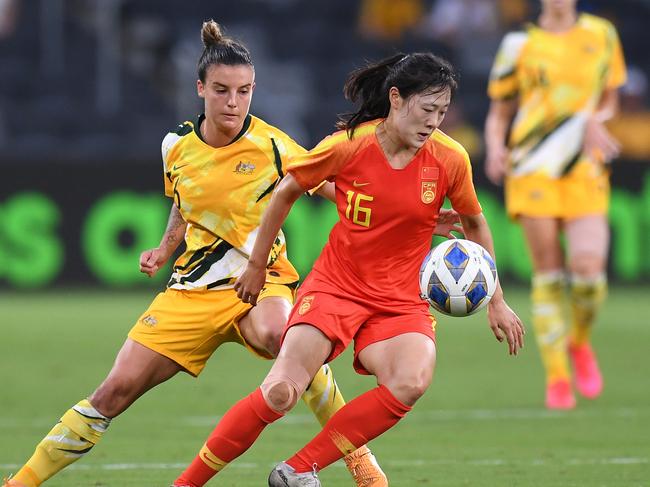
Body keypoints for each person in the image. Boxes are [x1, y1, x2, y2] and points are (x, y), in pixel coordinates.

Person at [3, 20, 396, 487]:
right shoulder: (176, 147)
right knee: (113, 392)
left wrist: (403, 215)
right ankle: (21, 482)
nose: (234, 102)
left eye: (244, 91)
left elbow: (335, 188)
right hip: (192, 290)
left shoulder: (274, 145)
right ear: (200, 89)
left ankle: (360, 462)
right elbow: (182, 204)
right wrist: (165, 247)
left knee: (283, 337)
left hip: (261, 279)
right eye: (223, 90)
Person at [172, 52, 524, 487]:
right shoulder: (349, 144)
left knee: (410, 381)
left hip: (399, 298)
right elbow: (285, 193)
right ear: (395, 99)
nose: (435, 121)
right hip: (337, 286)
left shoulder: (450, 158)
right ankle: (185, 484)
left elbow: (474, 222)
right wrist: (258, 266)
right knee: (281, 391)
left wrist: (497, 300)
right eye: (427, 109)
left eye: (443, 112)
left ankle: (297, 470)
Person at [484, 0, 627, 409]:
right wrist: (496, 146)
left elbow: (611, 98)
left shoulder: (602, 34)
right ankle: (558, 375)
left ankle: (579, 342)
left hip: (584, 166)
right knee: (548, 272)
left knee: (588, 270)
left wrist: (596, 119)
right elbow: (500, 112)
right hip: (532, 166)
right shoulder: (518, 44)